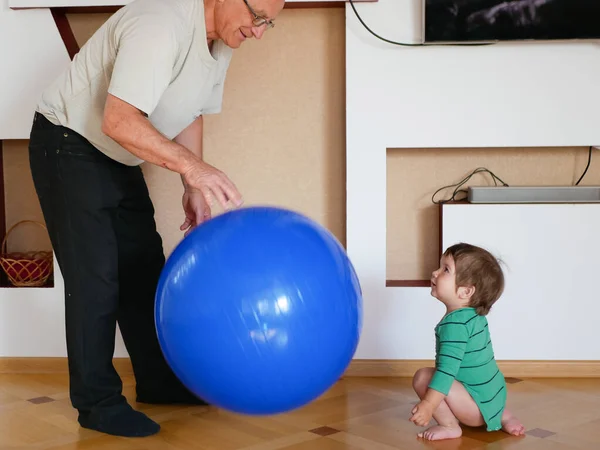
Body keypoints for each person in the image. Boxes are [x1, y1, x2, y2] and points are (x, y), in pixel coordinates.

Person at [28, 0, 284, 438]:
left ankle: (159, 381)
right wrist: (191, 167)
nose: (259, 32)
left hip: (117, 156)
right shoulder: (161, 23)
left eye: (269, 24)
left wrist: (192, 185)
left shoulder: (220, 42)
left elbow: (192, 111)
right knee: (96, 280)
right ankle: (97, 403)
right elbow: (118, 119)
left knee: (144, 269)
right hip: (68, 143)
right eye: (257, 17)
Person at [409, 243, 526, 441]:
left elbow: (446, 373)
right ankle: (503, 415)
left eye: (445, 269)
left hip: (475, 409)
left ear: (466, 292)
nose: (435, 273)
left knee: (422, 377)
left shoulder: (455, 325)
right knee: (473, 377)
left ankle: (449, 426)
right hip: (495, 396)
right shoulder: (475, 316)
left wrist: (429, 405)